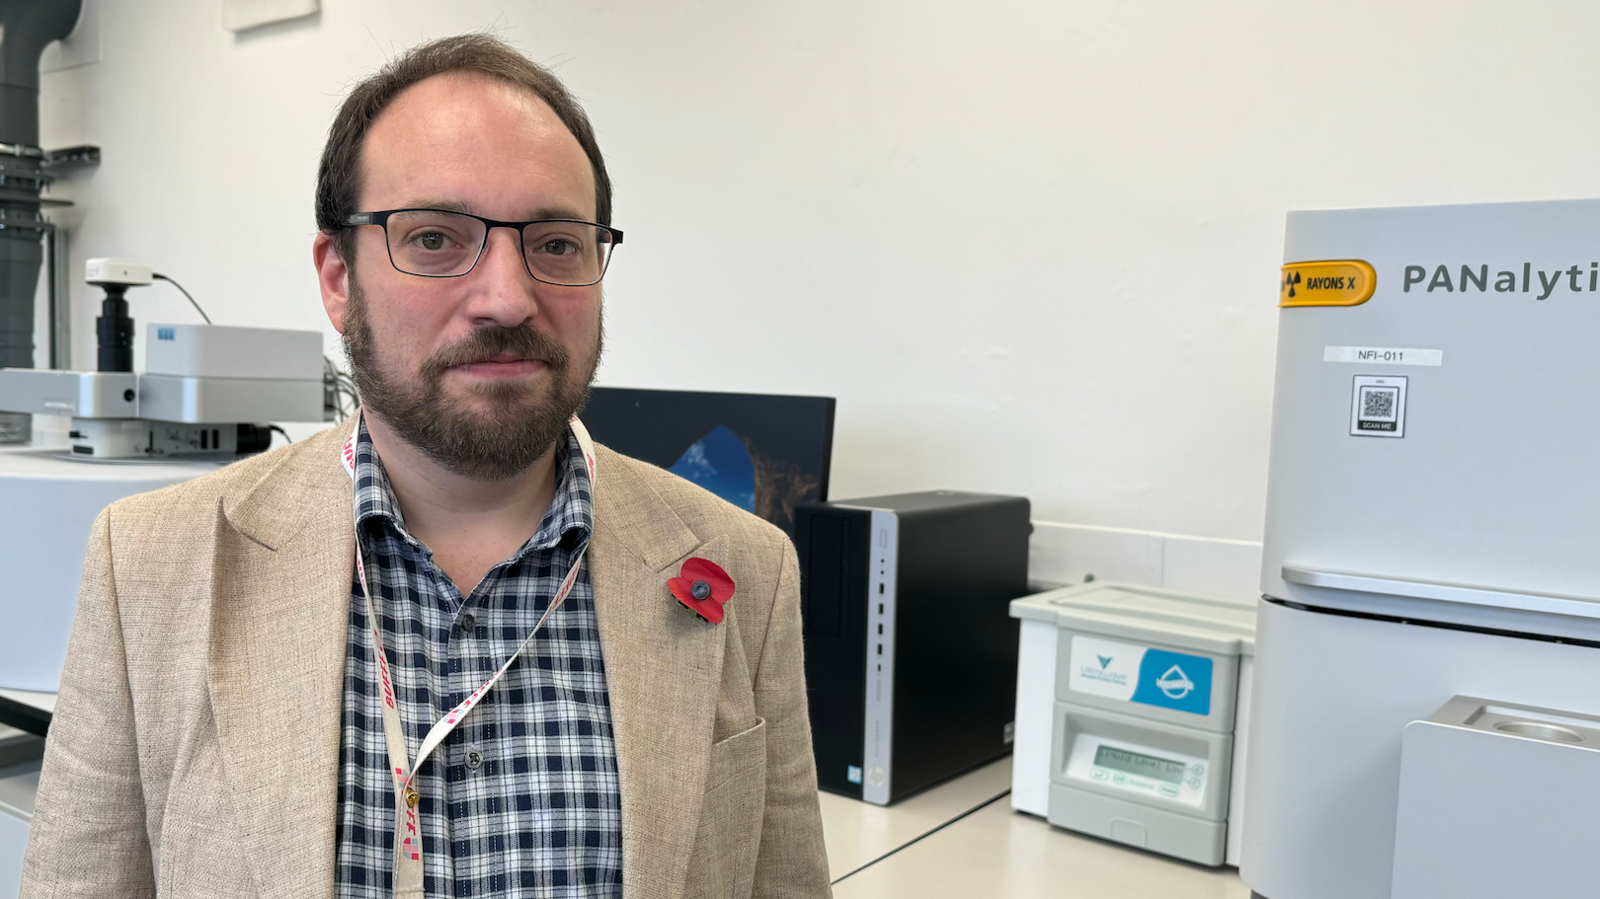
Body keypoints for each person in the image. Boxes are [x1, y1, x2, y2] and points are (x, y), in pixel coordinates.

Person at [22, 34, 830, 899]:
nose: (509, 297)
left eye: (556, 243)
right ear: (338, 277)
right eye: (437, 238)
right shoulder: (149, 566)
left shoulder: (745, 569)